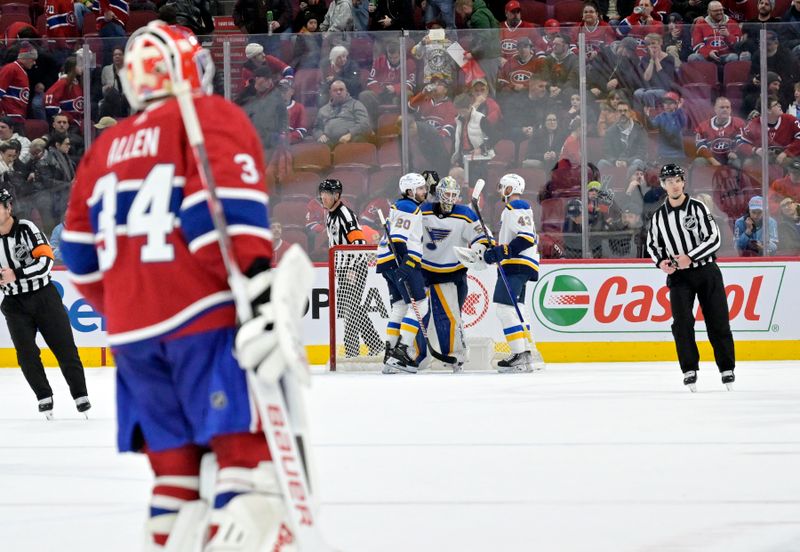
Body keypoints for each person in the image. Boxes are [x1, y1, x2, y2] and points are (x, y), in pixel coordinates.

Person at [60, 22, 304, 549]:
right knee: (246, 475)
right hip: (204, 324)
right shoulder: (207, 117)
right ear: (191, 69)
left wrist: (127, 307)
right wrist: (258, 287)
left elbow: (77, 258)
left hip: (132, 342)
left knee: (174, 485)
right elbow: (217, 222)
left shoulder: (103, 150)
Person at [0, 188, 89, 418]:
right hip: (14, 303)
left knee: (65, 349)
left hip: (44, 297)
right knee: (26, 355)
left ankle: (80, 395)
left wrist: (16, 274)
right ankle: (44, 396)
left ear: (8, 207)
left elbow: (46, 261)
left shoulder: (27, 228)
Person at [646, 163, 736, 392]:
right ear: (663, 185)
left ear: (683, 182)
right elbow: (652, 245)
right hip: (679, 277)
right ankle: (689, 369)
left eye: (677, 180)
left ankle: (726, 368)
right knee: (682, 324)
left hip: (706, 271)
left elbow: (713, 239)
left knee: (717, 320)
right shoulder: (658, 217)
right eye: (669, 181)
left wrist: (690, 257)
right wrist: (661, 263)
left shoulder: (698, 208)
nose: (674, 185)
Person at [420, 176, 487, 372]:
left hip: (453, 274)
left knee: (450, 318)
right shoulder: (423, 211)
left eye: (453, 195)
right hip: (424, 271)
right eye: (446, 194)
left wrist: (479, 248)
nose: (450, 198)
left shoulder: (465, 214)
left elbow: (480, 237)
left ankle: (455, 357)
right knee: (418, 316)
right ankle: (417, 356)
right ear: (439, 194)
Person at [482, 173, 544, 372]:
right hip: (520, 264)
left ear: (509, 189)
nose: (500, 190)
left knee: (504, 308)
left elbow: (525, 238)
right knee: (517, 307)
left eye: (502, 187)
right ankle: (530, 352)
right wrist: (497, 248)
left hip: (517, 265)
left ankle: (519, 355)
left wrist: (502, 251)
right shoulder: (516, 209)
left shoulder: (516, 206)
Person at [319, 178, 384, 359]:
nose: (323, 197)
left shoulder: (345, 214)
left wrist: (353, 268)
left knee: (352, 308)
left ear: (337, 196)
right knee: (353, 308)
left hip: (353, 268)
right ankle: (374, 344)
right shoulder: (330, 214)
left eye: (327, 194)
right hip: (343, 268)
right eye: (322, 193)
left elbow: (359, 241)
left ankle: (353, 348)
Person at [376, 172, 428, 374]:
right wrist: (405, 266)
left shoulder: (402, 205)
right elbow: (398, 239)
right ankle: (402, 351)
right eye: (421, 188)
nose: (425, 191)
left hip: (387, 261)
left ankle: (390, 354)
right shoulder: (408, 207)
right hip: (403, 260)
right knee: (420, 306)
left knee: (399, 306)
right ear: (410, 191)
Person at [0, 43, 37, 125]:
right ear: (24, 58)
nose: (34, 63)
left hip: (18, 117)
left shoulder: (21, 71)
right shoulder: (11, 69)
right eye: (33, 59)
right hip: (9, 118)